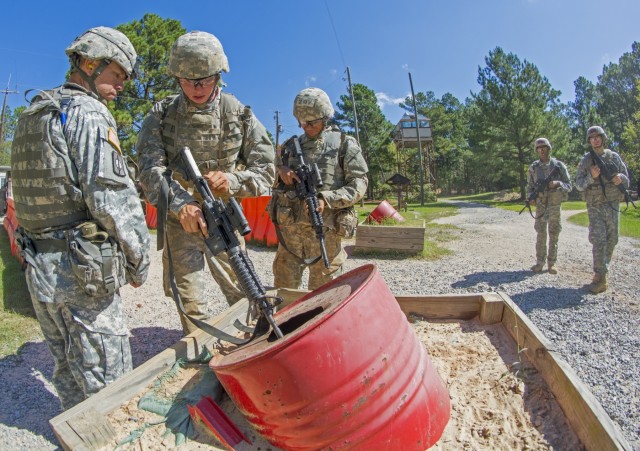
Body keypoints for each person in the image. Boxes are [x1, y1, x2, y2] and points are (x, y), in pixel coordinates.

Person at [10, 27, 150, 410]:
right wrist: (140, 261)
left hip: (39, 268)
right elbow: (112, 199)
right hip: (82, 272)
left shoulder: (34, 113)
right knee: (110, 384)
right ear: (90, 64)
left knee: (68, 371)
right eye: (117, 75)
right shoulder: (88, 113)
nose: (121, 86)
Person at [137, 31, 275, 335]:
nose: (196, 88)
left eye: (204, 80)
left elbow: (267, 171)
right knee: (189, 304)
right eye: (187, 81)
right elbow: (149, 171)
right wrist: (180, 204)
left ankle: (250, 352)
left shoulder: (239, 115)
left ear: (218, 74)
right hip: (180, 221)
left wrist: (233, 181)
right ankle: (200, 357)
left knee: (245, 296)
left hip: (223, 219)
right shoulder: (161, 117)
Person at [270, 88, 368, 290]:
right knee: (284, 298)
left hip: (326, 237)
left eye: (311, 122)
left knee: (324, 300)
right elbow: (264, 175)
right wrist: (280, 171)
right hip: (290, 238)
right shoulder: (289, 147)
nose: (305, 127)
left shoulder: (344, 145)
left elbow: (359, 183)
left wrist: (327, 198)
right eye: (301, 122)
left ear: (325, 117)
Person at [575, 126, 630, 293]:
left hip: (612, 204)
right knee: (598, 239)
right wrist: (591, 177)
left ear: (603, 138)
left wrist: (621, 178)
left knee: (612, 239)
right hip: (595, 205)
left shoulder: (614, 157)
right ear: (589, 141)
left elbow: (626, 179)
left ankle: (602, 272)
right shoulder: (586, 160)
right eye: (592, 138)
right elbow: (578, 184)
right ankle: (600, 277)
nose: (595, 140)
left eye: (598, 137)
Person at [526, 138, 572, 274]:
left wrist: (558, 183)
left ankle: (552, 263)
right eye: (539, 148)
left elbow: (569, 185)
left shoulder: (558, 165)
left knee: (554, 233)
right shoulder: (533, 167)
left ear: (548, 148)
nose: (541, 150)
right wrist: (530, 198)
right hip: (540, 206)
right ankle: (540, 262)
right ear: (536, 150)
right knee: (541, 234)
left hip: (554, 205)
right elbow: (529, 187)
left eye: (544, 147)